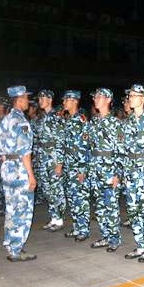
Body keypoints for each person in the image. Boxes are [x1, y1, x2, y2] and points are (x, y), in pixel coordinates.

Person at [0, 85, 37, 262]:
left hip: (7, 169)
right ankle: (16, 248)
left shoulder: (6, 119)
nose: (28, 101)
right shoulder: (21, 122)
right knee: (22, 210)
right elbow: (25, 152)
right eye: (26, 98)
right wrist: (31, 175)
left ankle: (10, 242)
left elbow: (2, 152)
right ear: (20, 99)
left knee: (11, 208)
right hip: (20, 170)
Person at [121, 84, 144, 263]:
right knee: (133, 210)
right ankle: (140, 245)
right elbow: (124, 149)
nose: (131, 98)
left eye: (135, 95)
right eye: (130, 95)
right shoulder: (128, 120)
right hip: (130, 171)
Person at [88, 88, 123, 252]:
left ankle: (114, 238)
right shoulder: (93, 122)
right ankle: (105, 235)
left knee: (111, 206)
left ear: (108, 100)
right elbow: (90, 148)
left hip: (109, 170)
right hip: (96, 170)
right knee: (100, 206)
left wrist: (117, 173)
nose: (95, 99)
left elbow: (121, 151)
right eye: (95, 97)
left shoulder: (116, 123)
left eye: (99, 97)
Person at [62, 90, 91, 242]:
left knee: (81, 198)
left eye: (66, 100)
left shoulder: (81, 120)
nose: (64, 102)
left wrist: (82, 169)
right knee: (72, 198)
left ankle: (84, 229)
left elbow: (84, 146)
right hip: (69, 165)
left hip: (78, 166)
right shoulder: (69, 119)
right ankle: (76, 227)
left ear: (74, 101)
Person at [37, 89, 66, 232]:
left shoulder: (56, 118)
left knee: (56, 190)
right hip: (43, 158)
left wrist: (59, 163)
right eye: (39, 98)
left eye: (42, 98)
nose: (40, 101)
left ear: (49, 99)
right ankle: (53, 217)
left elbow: (60, 142)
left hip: (53, 158)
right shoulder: (42, 118)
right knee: (47, 189)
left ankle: (59, 219)